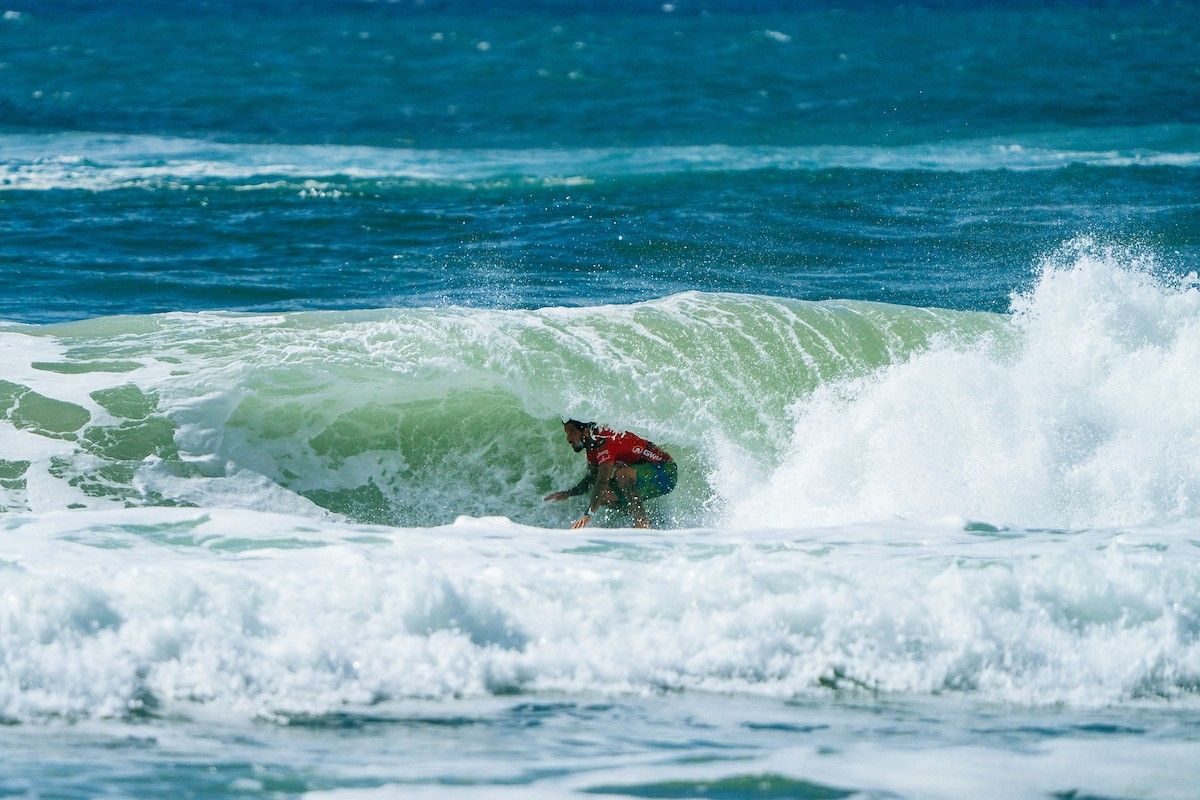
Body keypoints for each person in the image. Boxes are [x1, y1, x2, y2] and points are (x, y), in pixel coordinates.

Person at [544, 419, 677, 529]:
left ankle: (642, 523)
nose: (569, 438)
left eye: (572, 432)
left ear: (585, 431)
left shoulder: (605, 441)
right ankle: (651, 521)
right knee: (603, 496)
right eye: (567, 433)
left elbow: (602, 479)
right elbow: (591, 480)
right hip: (647, 478)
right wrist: (568, 493)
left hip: (666, 472)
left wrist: (588, 514)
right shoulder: (592, 447)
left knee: (622, 475)